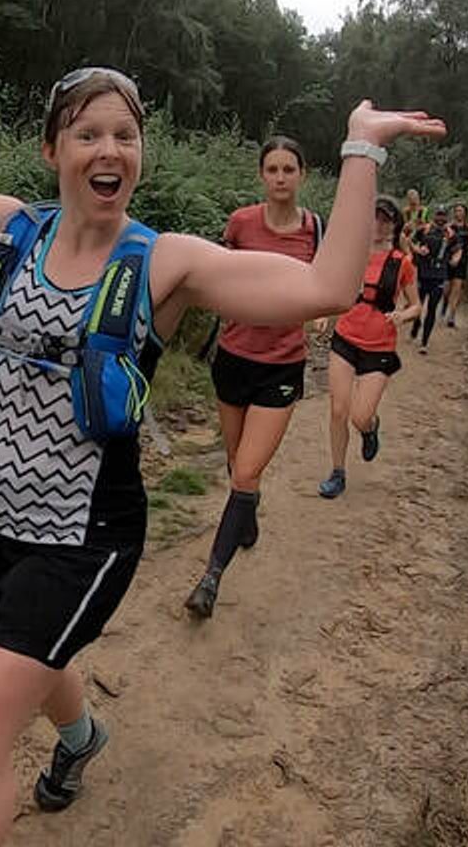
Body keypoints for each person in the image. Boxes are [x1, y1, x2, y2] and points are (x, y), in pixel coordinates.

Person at [0, 0, 445, 846]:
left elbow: (322, 289)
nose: (109, 149)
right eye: (88, 133)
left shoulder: (164, 262)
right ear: (52, 150)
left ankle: (60, 744)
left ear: (141, 154)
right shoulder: (14, 232)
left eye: (125, 135)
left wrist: (360, 147)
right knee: (35, 653)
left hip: (83, 533)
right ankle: (82, 736)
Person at [184, 136, 325, 620]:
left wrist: (321, 312)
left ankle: (211, 578)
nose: (281, 177)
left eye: (289, 169)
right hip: (234, 357)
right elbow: (217, 275)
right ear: (262, 175)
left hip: (282, 365)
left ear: (302, 174)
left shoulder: (315, 230)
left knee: (246, 470)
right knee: (235, 463)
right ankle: (245, 513)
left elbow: (327, 283)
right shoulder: (241, 223)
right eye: (273, 169)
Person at [318, 195, 421, 499]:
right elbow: (331, 285)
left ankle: (370, 428)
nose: (378, 224)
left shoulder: (401, 263)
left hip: (380, 346)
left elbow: (417, 306)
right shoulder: (354, 254)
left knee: (359, 415)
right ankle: (337, 473)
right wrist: (323, 313)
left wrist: (402, 314)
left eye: (385, 219)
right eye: (373, 217)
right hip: (346, 337)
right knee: (338, 409)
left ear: (394, 225)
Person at [408, 203, 450, 352]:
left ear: (446, 217)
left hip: (439, 275)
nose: (440, 218)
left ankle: (425, 342)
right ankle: (416, 324)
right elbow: (410, 240)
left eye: (443, 215)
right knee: (418, 305)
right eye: (438, 214)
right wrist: (417, 249)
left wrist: (455, 258)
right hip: (423, 273)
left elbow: (459, 249)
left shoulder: (450, 234)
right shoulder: (424, 230)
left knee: (432, 308)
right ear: (434, 216)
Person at [442, 202, 468, 327]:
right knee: (446, 289)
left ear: (465, 213)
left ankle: (451, 316)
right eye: (456, 211)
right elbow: (444, 241)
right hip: (449, 259)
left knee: (457, 288)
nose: (458, 213)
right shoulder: (449, 226)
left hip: (463, 261)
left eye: (460, 211)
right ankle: (444, 303)